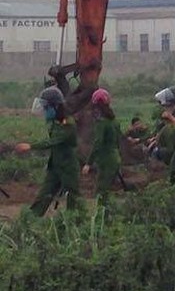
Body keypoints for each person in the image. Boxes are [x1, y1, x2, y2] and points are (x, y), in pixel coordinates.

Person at [9, 86, 83, 216]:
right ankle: (31, 219)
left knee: (73, 198)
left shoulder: (67, 124)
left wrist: (31, 146)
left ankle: (74, 224)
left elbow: (52, 141)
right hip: (55, 166)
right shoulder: (55, 122)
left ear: (55, 106)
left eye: (46, 107)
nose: (44, 110)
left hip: (68, 167)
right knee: (44, 194)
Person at [82, 88, 122, 205]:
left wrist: (88, 163)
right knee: (106, 192)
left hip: (106, 161)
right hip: (115, 159)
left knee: (100, 192)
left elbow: (97, 143)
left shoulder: (101, 123)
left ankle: (102, 219)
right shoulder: (114, 121)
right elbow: (119, 141)